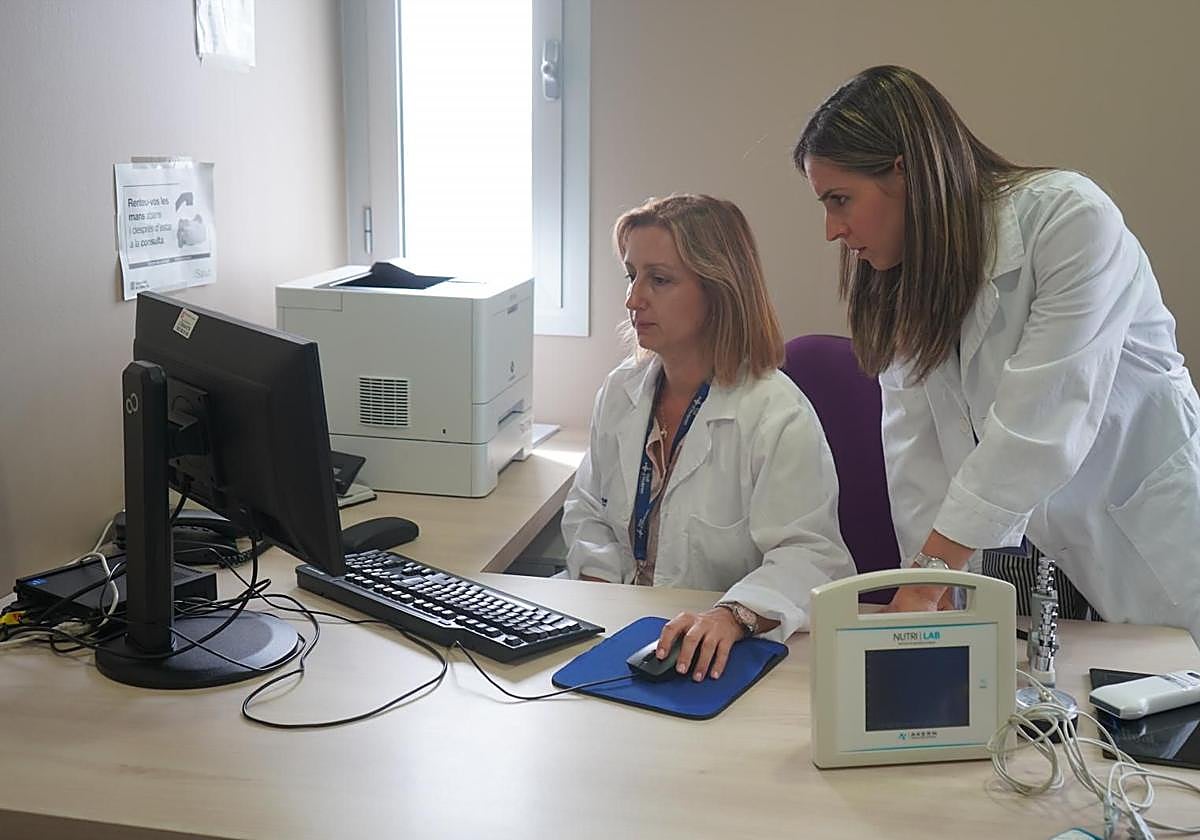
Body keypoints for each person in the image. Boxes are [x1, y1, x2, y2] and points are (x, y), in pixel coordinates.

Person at [792, 65, 1200, 642]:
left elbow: (1041, 422)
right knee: (1013, 709)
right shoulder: (906, 281)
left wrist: (927, 579)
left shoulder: (1070, 219)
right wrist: (929, 616)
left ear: (905, 170)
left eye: (840, 199)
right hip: (1010, 547)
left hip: (1134, 535)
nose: (832, 229)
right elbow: (915, 460)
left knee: (1146, 710)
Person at [562, 194, 856, 680]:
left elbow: (811, 555)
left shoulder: (774, 412)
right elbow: (588, 510)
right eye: (631, 275)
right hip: (618, 631)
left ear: (719, 289)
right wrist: (601, 588)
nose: (634, 299)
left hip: (717, 653)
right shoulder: (621, 391)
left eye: (659, 280)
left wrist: (732, 615)